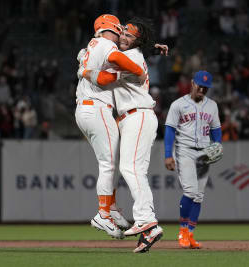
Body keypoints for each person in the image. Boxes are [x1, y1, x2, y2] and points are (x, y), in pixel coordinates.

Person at [80, 18, 167, 253]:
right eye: (124, 32)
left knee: (131, 169)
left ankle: (146, 219)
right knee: (132, 169)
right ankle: (149, 229)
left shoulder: (130, 58)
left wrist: (84, 69)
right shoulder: (133, 53)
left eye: (130, 35)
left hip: (137, 115)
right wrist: (152, 46)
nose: (124, 37)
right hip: (133, 117)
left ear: (138, 41)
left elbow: (102, 76)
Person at [75, 14, 147, 239]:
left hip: (87, 108)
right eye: (119, 29)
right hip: (96, 108)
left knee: (113, 161)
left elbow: (103, 72)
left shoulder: (92, 46)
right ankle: (103, 213)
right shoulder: (105, 44)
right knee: (108, 163)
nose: (121, 33)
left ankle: (111, 207)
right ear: (112, 27)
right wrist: (136, 69)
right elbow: (116, 60)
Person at [164, 70, 222, 249]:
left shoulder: (212, 105)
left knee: (199, 196)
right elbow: (169, 130)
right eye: (200, 85)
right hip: (185, 150)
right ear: (192, 83)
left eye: (206, 87)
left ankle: (190, 234)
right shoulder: (178, 105)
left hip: (204, 152)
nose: (202, 90)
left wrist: (217, 146)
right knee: (190, 192)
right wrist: (168, 155)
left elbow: (216, 130)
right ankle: (182, 231)